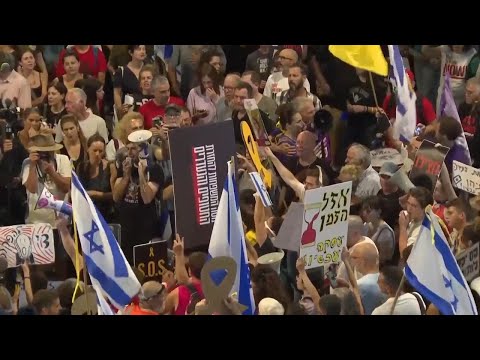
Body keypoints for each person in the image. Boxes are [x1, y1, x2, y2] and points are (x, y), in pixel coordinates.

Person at [112, 132, 165, 264]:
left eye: (134, 149)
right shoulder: (124, 168)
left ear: (143, 149)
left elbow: (147, 198)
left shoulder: (154, 170)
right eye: (128, 149)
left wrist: (141, 174)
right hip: (126, 227)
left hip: (146, 227)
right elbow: (116, 197)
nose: (130, 153)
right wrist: (125, 176)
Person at [21, 134, 71, 226]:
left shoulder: (63, 159)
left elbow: (66, 187)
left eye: (48, 151)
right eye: (42, 152)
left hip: (60, 220)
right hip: (36, 222)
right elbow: (32, 189)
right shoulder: (28, 162)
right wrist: (32, 165)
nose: (45, 155)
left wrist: (52, 173)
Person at [77, 134, 117, 223]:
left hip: (106, 214)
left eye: (100, 151)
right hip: (86, 213)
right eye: (94, 150)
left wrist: (95, 194)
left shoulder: (110, 167)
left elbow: (115, 195)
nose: (97, 154)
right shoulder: (81, 167)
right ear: (88, 149)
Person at [164, 236, 207, 315]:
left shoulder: (178, 293)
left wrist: (167, 287)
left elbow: (159, 309)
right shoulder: (216, 291)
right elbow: (184, 280)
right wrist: (179, 255)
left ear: (189, 271)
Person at [114, 45, 147, 120]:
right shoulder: (121, 72)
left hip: (146, 109)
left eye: (144, 49)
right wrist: (120, 110)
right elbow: (117, 93)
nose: (142, 51)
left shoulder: (150, 69)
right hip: (130, 111)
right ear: (130, 52)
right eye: (138, 49)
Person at [398, 187, 434, 257]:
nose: (409, 209)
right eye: (408, 203)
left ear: (424, 209)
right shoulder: (413, 220)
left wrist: (402, 228)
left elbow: (404, 255)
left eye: (414, 206)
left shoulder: (423, 230)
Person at [360, 196, 396, 265]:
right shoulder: (366, 225)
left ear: (379, 211)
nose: (364, 214)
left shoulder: (386, 232)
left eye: (368, 211)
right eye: (363, 211)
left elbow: (383, 259)